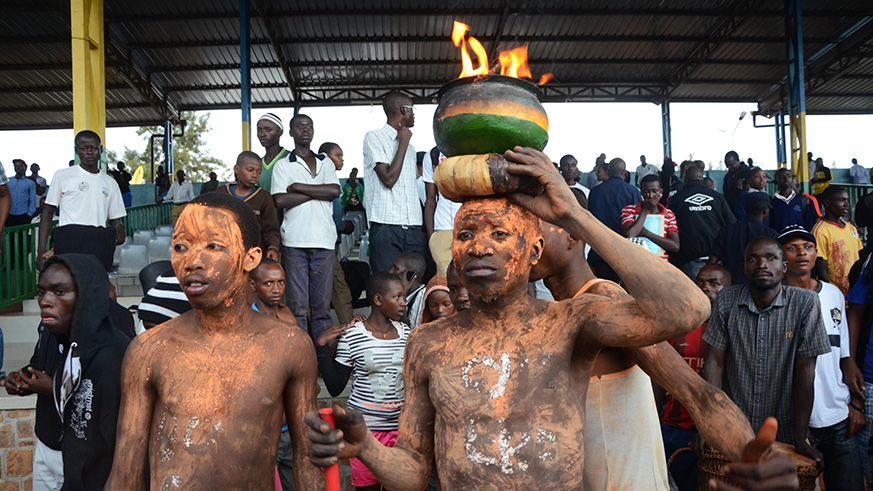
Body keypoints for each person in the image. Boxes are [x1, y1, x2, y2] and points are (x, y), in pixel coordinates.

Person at [304, 146, 721, 490]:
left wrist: (575, 217)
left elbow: (688, 308)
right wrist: (367, 449)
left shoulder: (571, 323)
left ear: (534, 252)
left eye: (499, 234)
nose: (479, 246)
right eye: (465, 235)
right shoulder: (427, 344)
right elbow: (413, 471)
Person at [106, 193, 323, 489]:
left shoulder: (289, 346)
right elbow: (124, 474)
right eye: (180, 247)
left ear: (251, 258)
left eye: (213, 246)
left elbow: (307, 463)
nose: (192, 261)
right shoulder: (149, 351)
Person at [531, 220, 759, 491]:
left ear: (572, 235)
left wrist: (756, 462)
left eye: (533, 229)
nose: (522, 242)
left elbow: (696, 392)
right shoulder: (555, 309)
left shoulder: (605, 298)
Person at [704, 237, 830, 465]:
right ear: (744, 267)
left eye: (770, 258)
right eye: (753, 259)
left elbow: (806, 370)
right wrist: (710, 425)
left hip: (784, 431)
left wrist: (800, 437)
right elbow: (715, 362)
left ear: (784, 267)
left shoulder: (805, 303)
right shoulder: (726, 301)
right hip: (734, 428)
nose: (761, 265)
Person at [779, 225, 865, 491]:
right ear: (781, 258)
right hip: (794, 423)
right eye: (792, 248)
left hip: (838, 416)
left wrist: (854, 403)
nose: (801, 254)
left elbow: (843, 358)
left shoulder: (833, 294)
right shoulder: (774, 298)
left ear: (817, 254)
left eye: (808, 247)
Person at [38, 254, 132, 490]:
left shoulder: (114, 358)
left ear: (87, 297)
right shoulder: (73, 348)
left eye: (60, 292)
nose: (45, 301)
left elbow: (121, 452)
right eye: (42, 292)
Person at [315, 272, 410, 490]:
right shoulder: (352, 335)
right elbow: (336, 387)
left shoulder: (407, 334)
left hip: (401, 432)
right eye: (397, 297)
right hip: (365, 434)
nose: (403, 303)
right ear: (378, 300)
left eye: (404, 297)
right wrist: (321, 348)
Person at [657, 264, 732, 491]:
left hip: (715, 436)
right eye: (699, 282)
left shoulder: (735, 329)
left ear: (729, 290)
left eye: (714, 284)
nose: (704, 288)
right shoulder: (678, 326)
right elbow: (659, 377)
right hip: (673, 427)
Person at [271, 115, 341, 346]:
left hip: (324, 241)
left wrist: (299, 187)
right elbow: (280, 200)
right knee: (298, 307)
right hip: (294, 242)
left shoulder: (326, 163)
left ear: (313, 131)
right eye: (299, 126)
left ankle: (322, 359)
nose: (305, 130)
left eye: (308, 126)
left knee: (321, 308)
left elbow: (334, 191)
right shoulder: (283, 165)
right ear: (291, 133)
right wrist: (317, 191)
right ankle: (300, 358)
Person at [37, 130, 126, 271]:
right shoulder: (63, 176)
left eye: (94, 148)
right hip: (69, 241)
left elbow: (115, 220)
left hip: (98, 243)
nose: (89, 152)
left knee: (96, 287)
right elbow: (47, 213)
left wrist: (119, 229)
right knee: (70, 286)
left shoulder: (110, 182)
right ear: (76, 151)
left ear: (101, 150)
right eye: (84, 148)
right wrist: (41, 249)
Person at [362, 91, 426, 274]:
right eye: (412, 109)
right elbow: (389, 179)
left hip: (414, 227)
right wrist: (403, 143)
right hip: (386, 226)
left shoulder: (411, 149)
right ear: (403, 110)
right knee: (387, 285)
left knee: (414, 285)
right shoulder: (374, 137)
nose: (414, 114)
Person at [669, 165, 736, 280]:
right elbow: (732, 225)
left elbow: (669, 227)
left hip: (689, 260)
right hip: (717, 258)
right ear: (702, 179)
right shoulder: (717, 198)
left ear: (685, 179)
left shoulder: (676, 200)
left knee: (695, 296)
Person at [217, 151, 281, 261]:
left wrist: (273, 247)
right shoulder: (222, 193)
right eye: (250, 170)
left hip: (254, 257)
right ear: (237, 169)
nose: (255, 175)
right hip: (224, 256)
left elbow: (271, 229)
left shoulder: (263, 197)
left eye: (259, 172)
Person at [587, 157, 643, 281]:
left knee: (606, 290)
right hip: (625, 251)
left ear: (608, 172)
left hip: (600, 251)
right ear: (625, 173)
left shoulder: (595, 192)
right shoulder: (633, 191)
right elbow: (638, 221)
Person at [320, 141, 356, 325]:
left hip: (326, 241)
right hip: (327, 243)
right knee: (339, 288)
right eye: (338, 155)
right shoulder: (329, 179)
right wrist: (344, 226)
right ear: (326, 157)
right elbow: (333, 219)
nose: (342, 160)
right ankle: (351, 330)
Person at [710, 193, 778, 285]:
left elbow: (712, 261)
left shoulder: (727, 231)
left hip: (732, 287)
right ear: (766, 211)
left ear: (746, 209)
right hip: (761, 288)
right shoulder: (771, 235)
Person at [813, 185, 862, 295]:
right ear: (827, 203)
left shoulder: (851, 228)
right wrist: (832, 293)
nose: (846, 204)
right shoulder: (820, 231)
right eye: (842, 200)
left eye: (847, 200)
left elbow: (859, 256)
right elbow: (821, 269)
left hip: (854, 291)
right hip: (837, 293)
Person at [620, 174, 679, 261]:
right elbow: (630, 235)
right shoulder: (629, 210)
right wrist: (645, 210)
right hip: (635, 263)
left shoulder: (669, 214)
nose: (650, 195)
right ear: (641, 193)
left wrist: (646, 233)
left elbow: (675, 246)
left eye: (654, 191)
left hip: (660, 265)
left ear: (661, 192)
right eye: (646, 192)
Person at [423, 147, 462, 275]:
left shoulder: (470, 148)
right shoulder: (432, 156)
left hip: (469, 226)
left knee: (471, 278)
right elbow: (430, 200)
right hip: (442, 229)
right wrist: (431, 238)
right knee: (445, 279)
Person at [250, 257, 296, 325]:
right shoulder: (248, 320)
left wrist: (294, 324)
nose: (276, 290)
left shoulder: (288, 318)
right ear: (253, 285)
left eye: (281, 282)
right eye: (268, 283)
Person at [770, 168, 818, 232]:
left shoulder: (802, 200)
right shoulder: (772, 202)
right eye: (782, 177)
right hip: (780, 239)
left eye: (788, 176)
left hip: (800, 238)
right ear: (776, 181)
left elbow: (808, 223)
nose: (786, 178)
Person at [389, 252, 427, 327]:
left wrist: (403, 293)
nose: (390, 271)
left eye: (396, 268)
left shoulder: (422, 297)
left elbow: (410, 334)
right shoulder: (410, 296)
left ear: (410, 275)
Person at [257, 112, 291, 193]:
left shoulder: (291, 158)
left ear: (280, 132)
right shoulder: (257, 164)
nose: (262, 134)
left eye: (268, 130)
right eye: (259, 130)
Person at [6, 158, 37, 227]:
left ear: (24, 168)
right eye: (15, 166)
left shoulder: (30, 183)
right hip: (10, 213)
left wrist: (29, 214)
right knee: (10, 235)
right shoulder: (8, 181)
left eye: (20, 166)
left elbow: (32, 200)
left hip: (23, 214)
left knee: (22, 236)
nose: (17, 168)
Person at [722, 150, 750, 215]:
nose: (729, 167)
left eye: (732, 165)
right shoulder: (727, 176)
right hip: (730, 208)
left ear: (738, 161)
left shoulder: (747, 173)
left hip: (744, 207)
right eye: (727, 165)